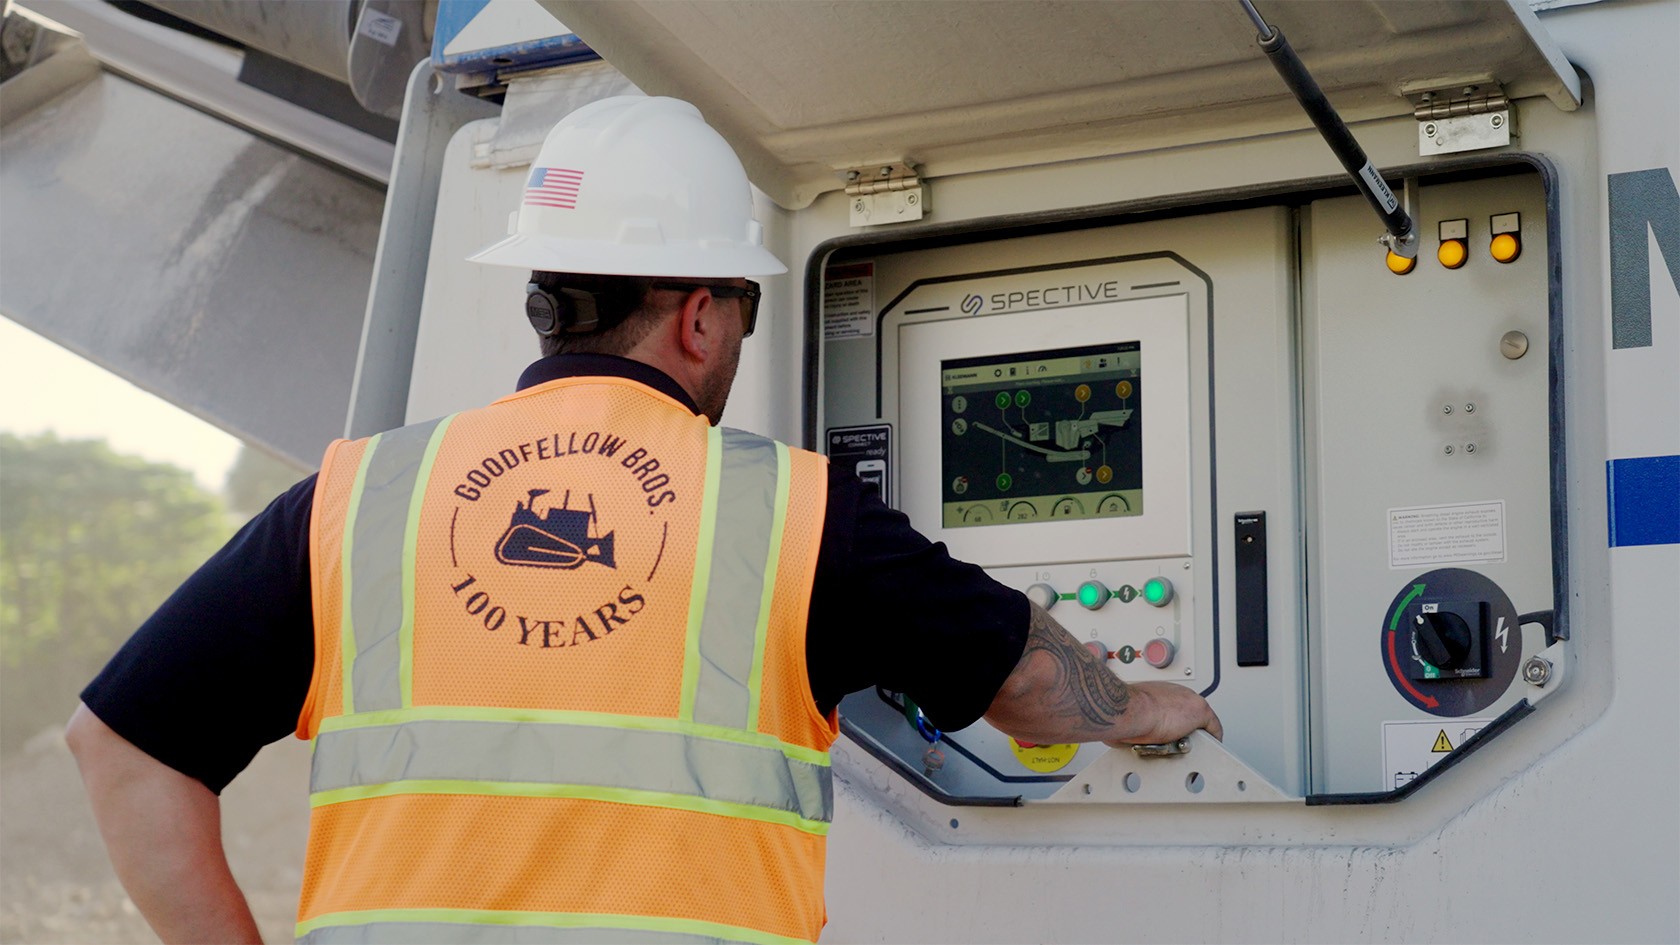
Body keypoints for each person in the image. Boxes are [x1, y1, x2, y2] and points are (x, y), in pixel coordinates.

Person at [66, 96, 1220, 945]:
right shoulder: (793, 516)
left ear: (545, 300)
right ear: (704, 317)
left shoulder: (356, 500)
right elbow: (1029, 685)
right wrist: (1153, 705)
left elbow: (119, 748)